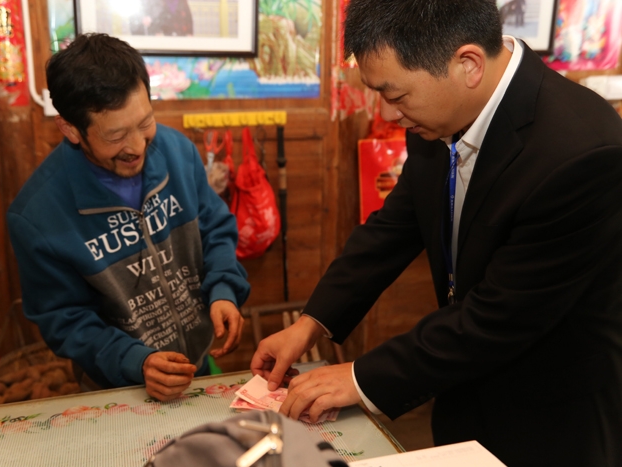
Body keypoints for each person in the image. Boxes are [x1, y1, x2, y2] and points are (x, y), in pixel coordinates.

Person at [251, 1, 622, 465]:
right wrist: (311, 323)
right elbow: (393, 229)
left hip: (551, 415)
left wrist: (360, 378)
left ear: (468, 64)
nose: (389, 114)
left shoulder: (581, 152)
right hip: (460, 389)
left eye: (395, 95)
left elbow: (500, 315)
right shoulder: (436, 111)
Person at [7, 33, 249, 401]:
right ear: (71, 129)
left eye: (145, 123)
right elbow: (64, 320)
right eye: (116, 135)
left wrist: (224, 291)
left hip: (195, 366)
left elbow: (215, 228)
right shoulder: (37, 217)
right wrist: (136, 361)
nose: (136, 146)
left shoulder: (177, 151)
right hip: (117, 387)